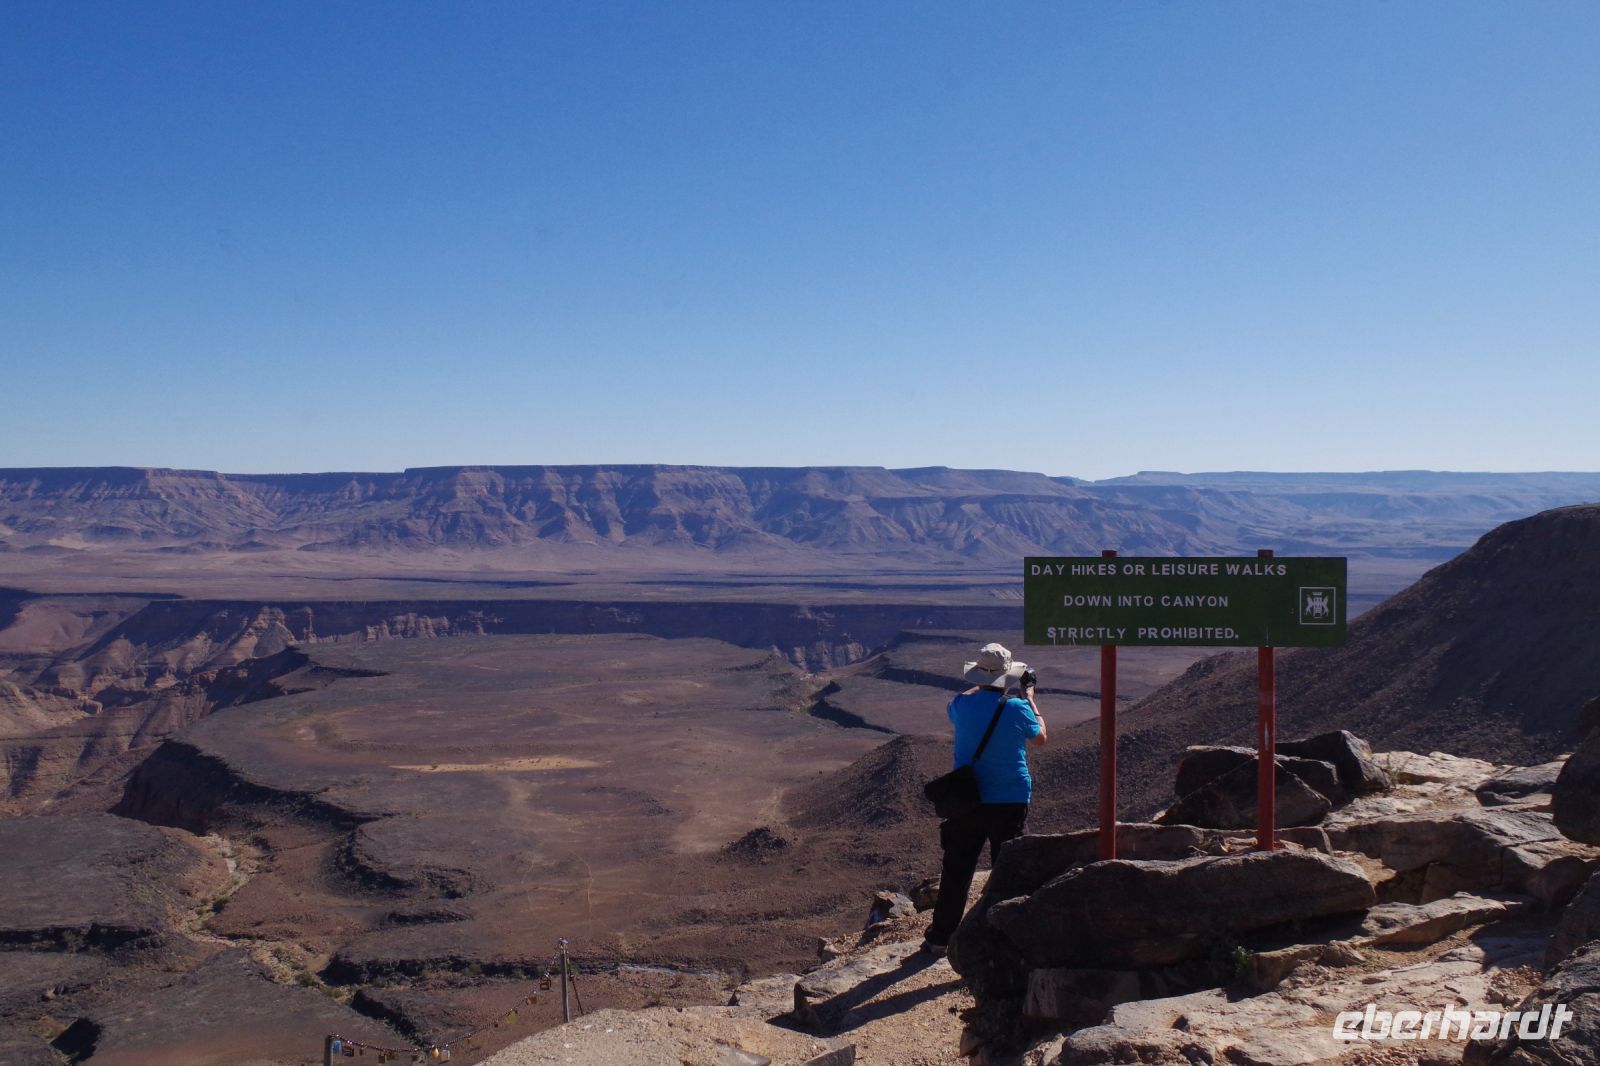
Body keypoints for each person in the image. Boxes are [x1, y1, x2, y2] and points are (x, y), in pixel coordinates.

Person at [922, 641, 1047, 955]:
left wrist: (981, 684)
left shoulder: (961, 705)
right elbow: (1040, 739)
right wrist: (1030, 698)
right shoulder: (1017, 708)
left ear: (978, 677)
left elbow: (962, 698)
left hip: (968, 799)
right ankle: (1003, 936)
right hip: (1010, 797)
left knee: (957, 868)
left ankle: (941, 937)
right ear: (1007, 677)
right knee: (1006, 867)